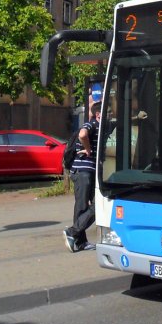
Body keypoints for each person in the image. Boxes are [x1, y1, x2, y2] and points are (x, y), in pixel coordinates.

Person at [63, 84, 102, 253]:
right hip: (83, 172)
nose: (109, 115)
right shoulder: (92, 124)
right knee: (90, 206)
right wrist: (88, 149)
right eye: (106, 113)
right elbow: (82, 134)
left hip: (88, 172)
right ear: (99, 114)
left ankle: (78, 240)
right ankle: (73, 233)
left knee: (88, 206)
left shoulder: (99, 126)